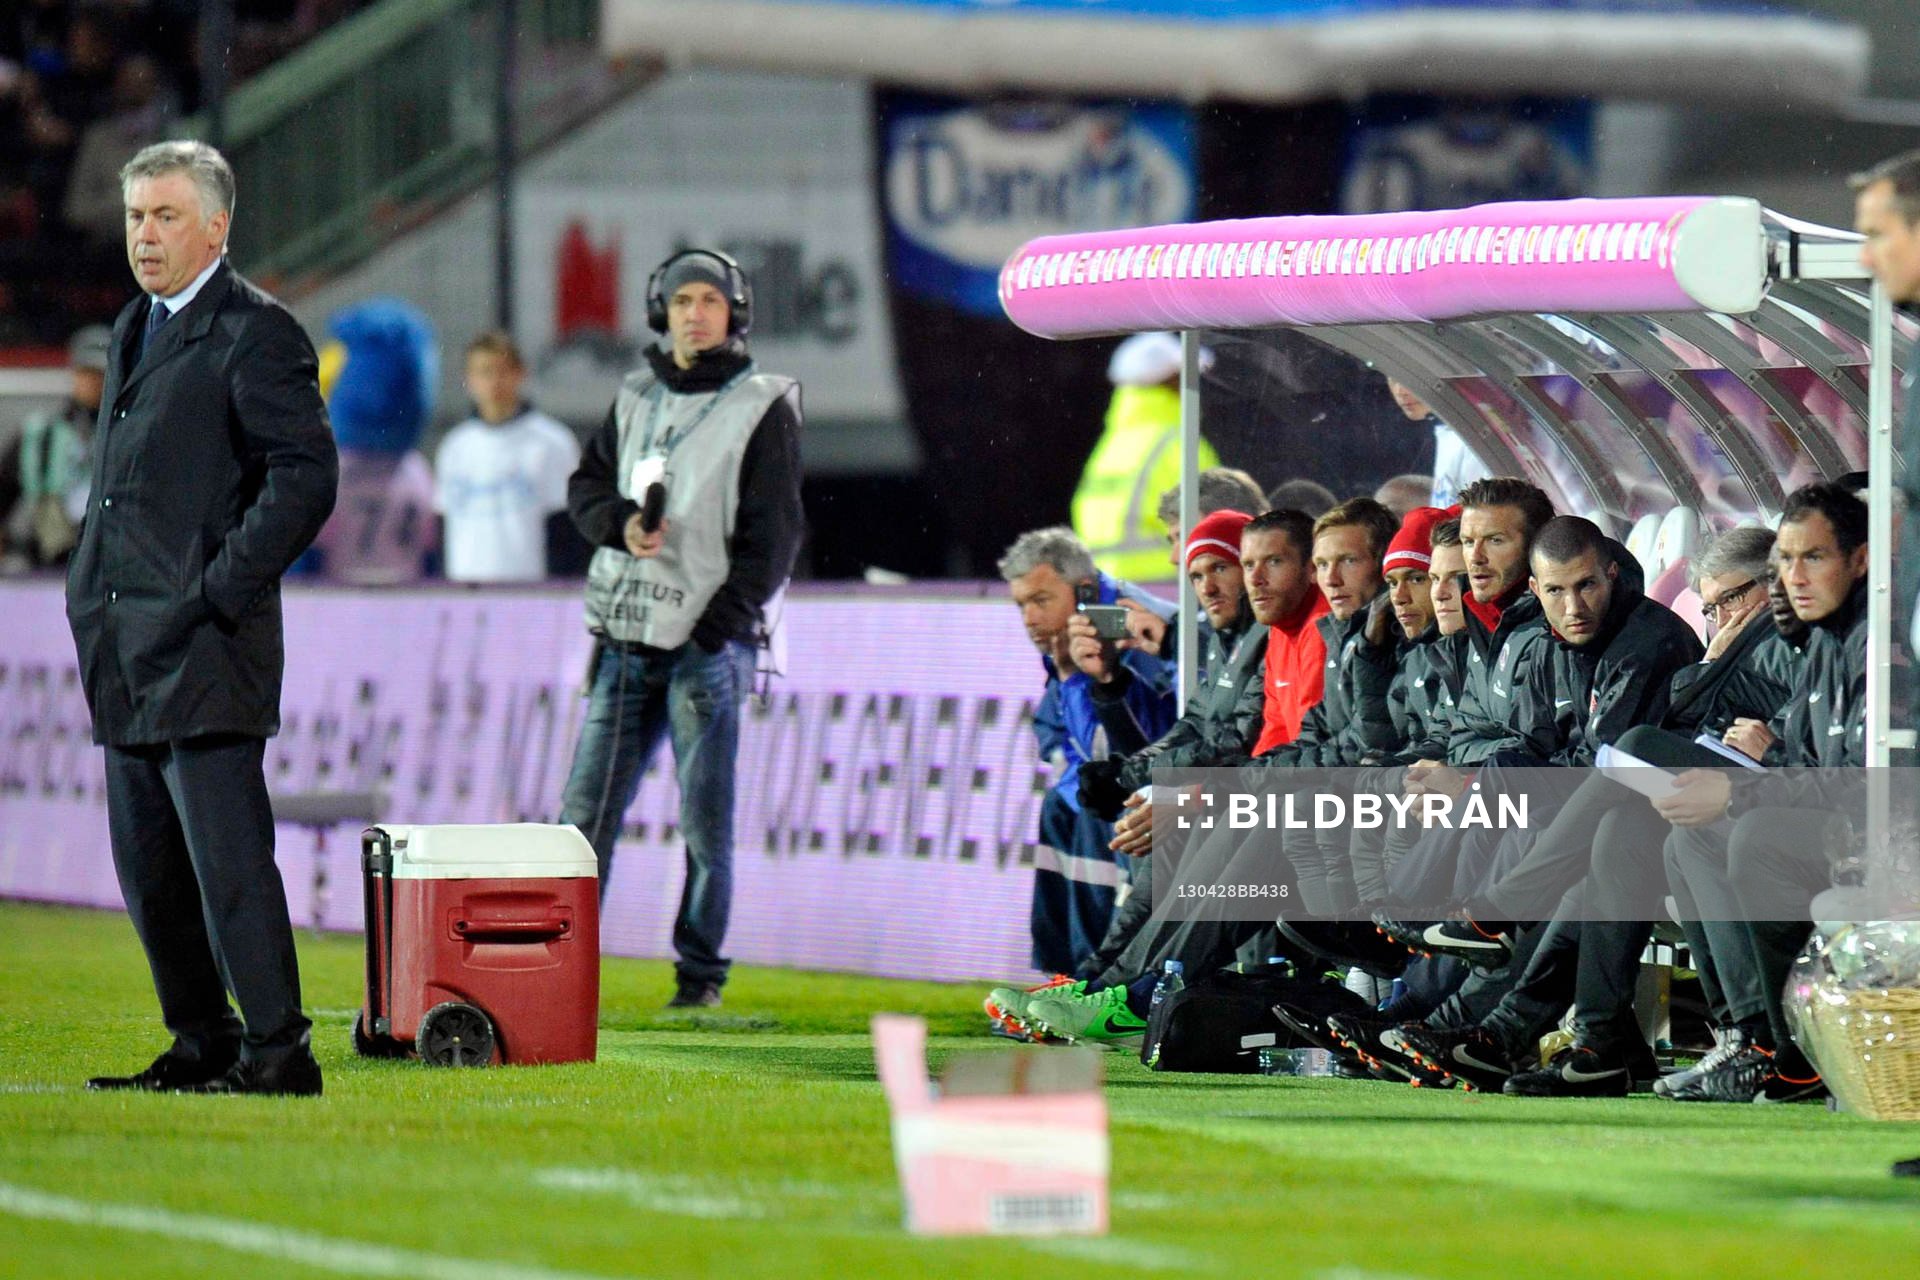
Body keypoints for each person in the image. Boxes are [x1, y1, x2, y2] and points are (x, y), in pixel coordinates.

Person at [71, 141, 337, 1096]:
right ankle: (201, 1041)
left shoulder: (256, 332)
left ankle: (279, 1051)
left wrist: (217, 589)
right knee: (150, 871)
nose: (145, 235)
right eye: (137, 216)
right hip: (121, 639)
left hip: (203, 643)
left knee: (227, 864)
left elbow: (305, 477)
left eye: (166, 216)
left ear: (217, 227)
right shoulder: (134, 325)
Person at [558, 247, 804, 1009]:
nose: (695, 314)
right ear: (658, 311)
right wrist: (618, 524)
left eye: (710, 300)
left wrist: (714, 628)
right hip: (626, 640)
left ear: (735, 312)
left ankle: (699, 983)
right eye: (682, 300)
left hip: (705, 647)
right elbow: (585, 485)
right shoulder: (635, 392)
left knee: (703, 829)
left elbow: (775, 536)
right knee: (579, 825)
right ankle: (558, 972)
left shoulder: (763, 402)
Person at [1000, 526, 1177, 977]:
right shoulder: (1071, 633)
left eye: (1041, 600)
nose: (1029, 617)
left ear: (1083, 589)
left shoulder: (1136, 630)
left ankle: (1093, 977)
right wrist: (1065, 672)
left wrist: (1083, 677)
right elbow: (1068, 738)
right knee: (1063, 804)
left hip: (1174, 784)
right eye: (1022, 604)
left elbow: (1142, 741)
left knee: (1093, 811)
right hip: (1127, 776)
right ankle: (1060, 973)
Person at [434, 331, 582, 583]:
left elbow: (566, 529)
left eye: (502, 370)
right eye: (484, 372)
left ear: (519, 373)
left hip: (530, 592)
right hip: (466, 593)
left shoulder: (552, 443)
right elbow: (443, 527)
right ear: (469, 380)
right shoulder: (454, 447)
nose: (494, 382)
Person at [1073, 331, 1221, 581]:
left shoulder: (1112, 445)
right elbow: (1213, 526)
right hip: (1168, 589)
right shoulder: (1177, 444)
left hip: (1107, 589)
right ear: (1171, 379)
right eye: (1188, 376)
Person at [0, 321, 107, 571]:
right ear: (74, 373)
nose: (94, 382)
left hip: (109, 561)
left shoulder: (129, 433)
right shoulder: (41, 435)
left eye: (101, 374)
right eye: (87, 372)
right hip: (48, 560)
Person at [1387, 377, 1489, 508]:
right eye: (1393, 380)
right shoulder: (1445, 431)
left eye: (1413, 378)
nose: (1400, 391)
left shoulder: (1473, 440)